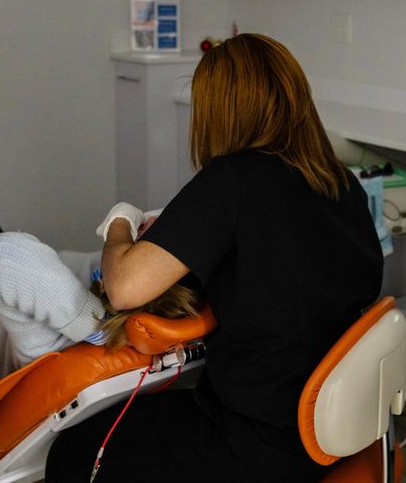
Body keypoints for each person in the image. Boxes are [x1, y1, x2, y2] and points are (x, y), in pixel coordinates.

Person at [44, 33, 384, 482]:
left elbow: (124, 288)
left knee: (72, 448)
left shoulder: (233, 180)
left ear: (219, 113)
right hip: (334, 428)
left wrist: (119, 223)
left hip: (255, 441)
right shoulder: (342, 184)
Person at [0, 194, 201, 394]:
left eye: (154, 234)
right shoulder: (157, 292)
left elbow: (4, 258)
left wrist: (119, 222)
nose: (154, 219)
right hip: (36, 289)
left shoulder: (62, 337)